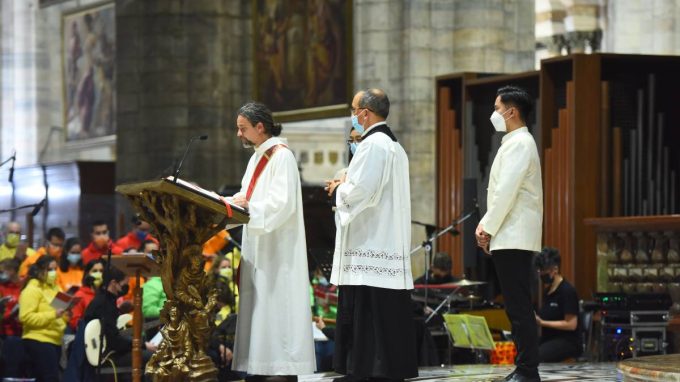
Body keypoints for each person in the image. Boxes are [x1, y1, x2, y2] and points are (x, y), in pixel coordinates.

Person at [326, 89, 417, 381]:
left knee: (369, 311)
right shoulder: (394, 146)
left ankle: (365, 369)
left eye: (354, 110)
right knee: (383, 313)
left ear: (365, 112)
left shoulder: (373, 144)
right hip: (383, 241)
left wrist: (337, 190)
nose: (352, 116)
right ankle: (383, 368)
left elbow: (361, 191)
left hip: (370, 242)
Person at [230, 102, 315, 379]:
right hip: (260, 246)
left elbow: (282, 204)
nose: (239, 135)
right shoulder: (257, 157)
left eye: (242, 129)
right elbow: (246, 197)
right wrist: (228, 204)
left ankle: (280, 369)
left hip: (278, 251)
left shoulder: (281, 157)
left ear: (260, 127)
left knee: (277, 308)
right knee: (261, 309)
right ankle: (261, 366)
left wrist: (246, 206)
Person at [475, 85, 543, 382]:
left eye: (496, 107)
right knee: (516, 306)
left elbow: (506, 192)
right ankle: (524, 366)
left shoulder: (520, 143)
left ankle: (528, 370)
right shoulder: (514, 142)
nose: (494, 114)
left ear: (511, 111)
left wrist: (485, 226)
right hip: (509, 234)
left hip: (513, 234)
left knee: (519, 307)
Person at [83, 266, 156, 370]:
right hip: (107, 354)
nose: (127, 287)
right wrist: (142, 345)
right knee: (153, 357)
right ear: (114, 283)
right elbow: (114, 340)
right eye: (124, 284)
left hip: (110, 349)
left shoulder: (104, 299)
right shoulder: (105, 303)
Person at [19, 255, 70, 382]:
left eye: (55, 269)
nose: (53, 273)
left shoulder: (55, 288)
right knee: (50, 378)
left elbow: (58, 314)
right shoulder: (32, 289)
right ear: (40, 270)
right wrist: (53, 315)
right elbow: (25, 317)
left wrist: (65, 316)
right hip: (38, 340)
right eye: (50, 269)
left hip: (55, 340)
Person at [535, 247, 581, 362]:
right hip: (549, 338)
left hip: (567, 341)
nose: (540, 273)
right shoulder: (548, 291)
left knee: (538, 356)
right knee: (525, 352)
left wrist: (542, 323)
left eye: (543, 270)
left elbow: (571, 324)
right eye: (539, 270)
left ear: (554, 269)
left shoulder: (567, 291)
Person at [0, 258, 24, 378]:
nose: (1, 274)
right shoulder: (1, 287)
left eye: (3, 271)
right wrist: (10, 314)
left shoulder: (24, 286)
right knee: (10, 367)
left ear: (13, 271)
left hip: (23, 331)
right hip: (6, 333)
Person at [69, 259, 105, 331]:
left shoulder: (106, 294)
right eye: (95, 271)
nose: (98, 274)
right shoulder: (80, 295)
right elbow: (74, 322)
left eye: (101, 271)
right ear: (87, 274)